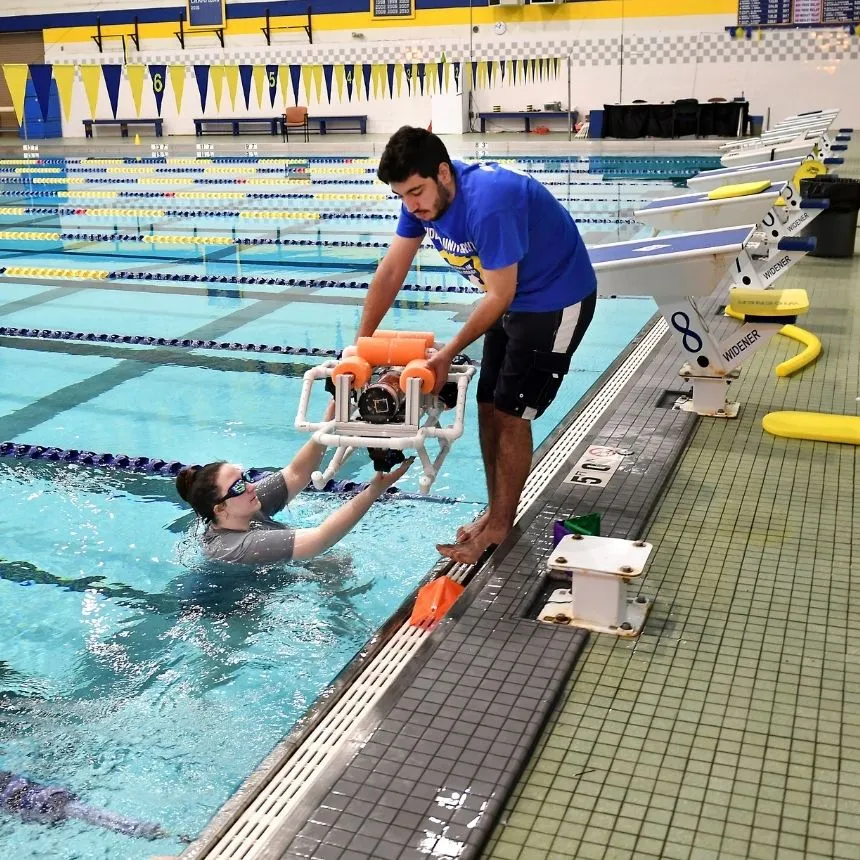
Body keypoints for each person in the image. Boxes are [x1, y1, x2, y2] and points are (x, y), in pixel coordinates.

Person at [357, 126, 598, 565]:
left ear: (444, 173)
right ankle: (496, 511)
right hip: (511, 303)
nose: (412, 206)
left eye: (416, 192)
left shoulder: (489, 203)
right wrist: (361, 344)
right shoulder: (422, 203)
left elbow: (500, 294)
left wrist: (446, 354)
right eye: (402, 196)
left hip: (554, 300)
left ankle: (501, 526)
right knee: (489, 405)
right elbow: (392, 270)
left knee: (511, 414)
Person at [176, 402, 413, 564]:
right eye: (238, 487)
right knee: (333, 562)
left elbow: (296, 473)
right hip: (240, 609)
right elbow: (320, 539)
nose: (250, 486)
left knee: (336, 562)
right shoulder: (237, 546)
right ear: (220, 508)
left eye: (245, 478)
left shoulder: (240, 508)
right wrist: (374, 491)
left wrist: (324, 429)